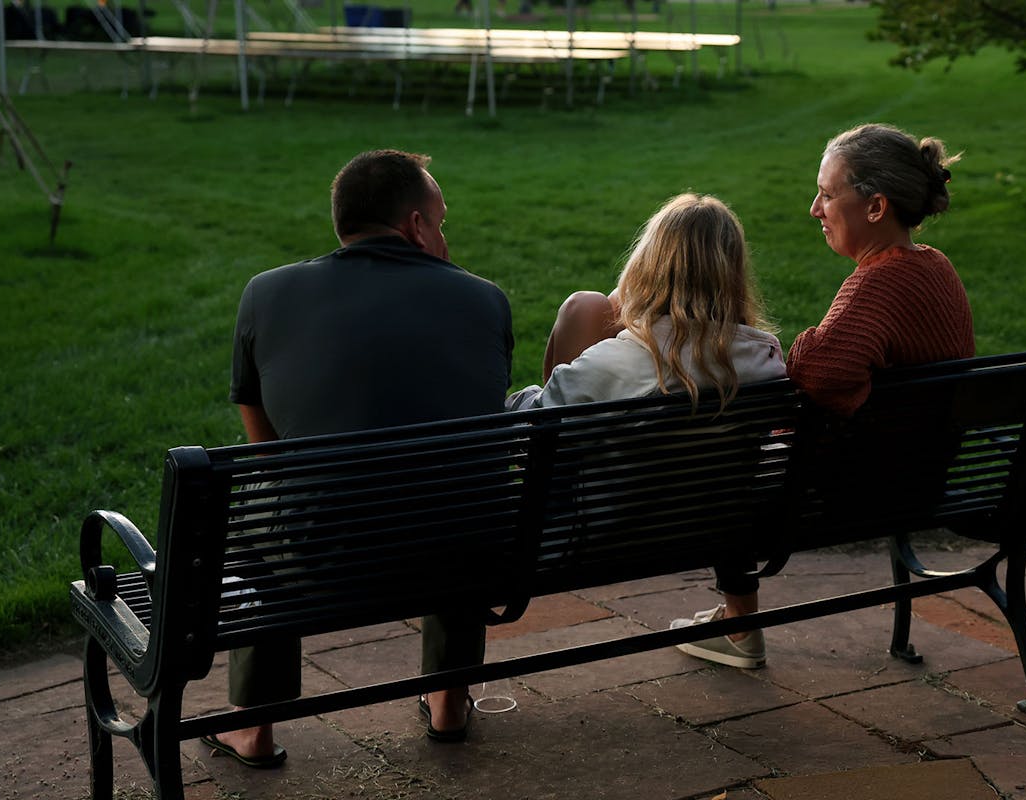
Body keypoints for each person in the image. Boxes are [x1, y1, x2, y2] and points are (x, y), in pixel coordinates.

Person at [212, 149, 514, 764]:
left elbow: (263, 445)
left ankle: (254, 724)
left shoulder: (266, 293)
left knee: (254, 507)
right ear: (415, 225)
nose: (444, 235)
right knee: (458, 481)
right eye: (442, 221)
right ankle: (449, 701)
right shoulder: (485, 300)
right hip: (467, 549)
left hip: (327, 554)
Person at [670, 123, 975, 668]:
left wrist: (806, 344)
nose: (815, 208)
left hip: (856, 490)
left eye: (828, 194)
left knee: (715, 464)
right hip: (924, 476)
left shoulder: (878, 282)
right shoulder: (936, 267)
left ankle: (741, 627)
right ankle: (736, 625)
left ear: (876, 206)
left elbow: (813, 372)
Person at [507, 191, 785, 416]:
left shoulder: (610, 368)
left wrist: (519, 399)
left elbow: (531, 426)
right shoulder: (765, 360)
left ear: (646, 267)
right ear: (733, 275)